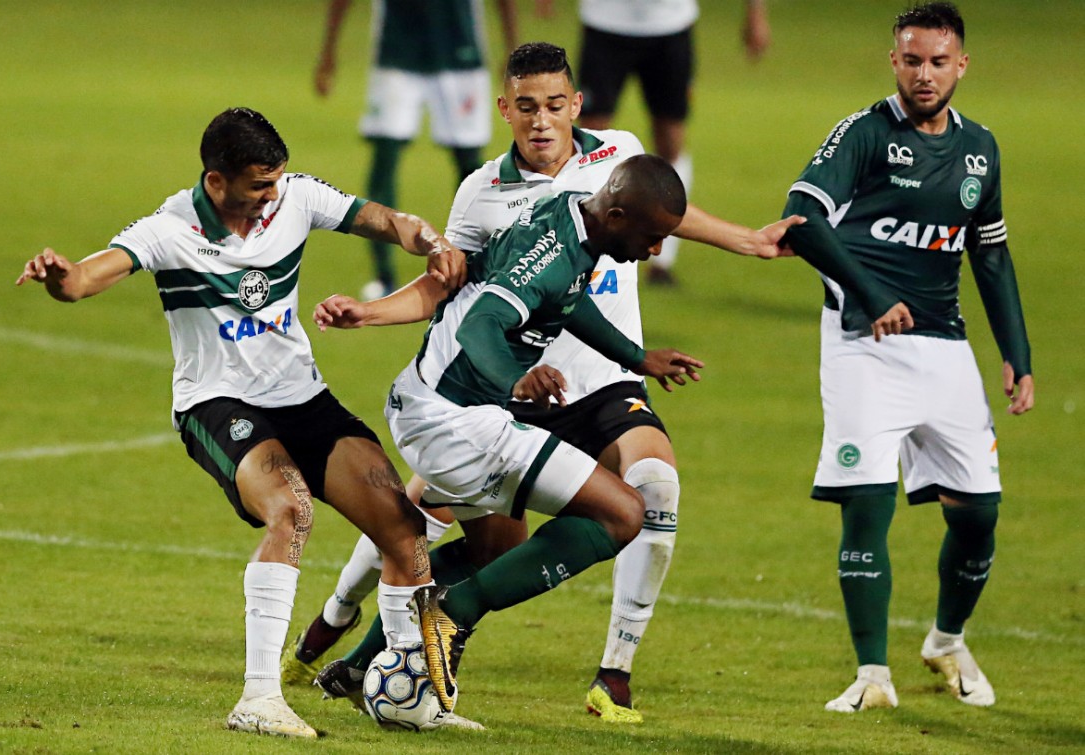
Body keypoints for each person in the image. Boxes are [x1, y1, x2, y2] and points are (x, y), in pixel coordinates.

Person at [283, 42, 802, 724]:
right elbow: (457, 294)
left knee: (648, 491)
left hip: (596, 386)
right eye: (526, 106)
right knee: (440, 528)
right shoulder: (485, 194)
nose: (541, 119)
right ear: (505, 109)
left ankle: (612, 672)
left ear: (576, 105)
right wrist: (375, 314)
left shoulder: (613, 164)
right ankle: (359, 629)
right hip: (503, 396)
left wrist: (735, 254)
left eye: (555, 104)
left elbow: (623, 248)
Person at [14, 107, 467, 739]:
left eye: (275, 181)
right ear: (216, 180)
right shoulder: (170, 229)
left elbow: (388, 221)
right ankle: (259, 698)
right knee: (290, 509)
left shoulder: (296, 196)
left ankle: (410, 696)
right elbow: (88, 278)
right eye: (258, 185)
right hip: (216, 402)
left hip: (300, 396)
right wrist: (60, 277)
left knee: (401, 525)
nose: (271, 196)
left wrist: (430, 242)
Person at [316, 153, 707, 716]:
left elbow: (567, 299)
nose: (656, 251)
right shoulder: (555, 253)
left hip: (433, 405)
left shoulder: (569, 214)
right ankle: (452, 614)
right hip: (456, 421)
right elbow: (481, 325)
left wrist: (636, 357)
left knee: (497, 551)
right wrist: (516, 379)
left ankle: (363, 666)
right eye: (652, 237)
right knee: (623, 513)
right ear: (617, 216)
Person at [780, 2, 1034, 712]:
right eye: (913, 60)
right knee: (868, 503)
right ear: (894, 61)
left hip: (944, 346)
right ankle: (872, 675)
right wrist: (871, 295)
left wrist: (1017, 354)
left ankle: (947, 640)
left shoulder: (981, 148)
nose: (925, 74)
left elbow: (990, 254)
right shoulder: (864, 134)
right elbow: (802, 217)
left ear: (962, 65)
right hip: (862, 343)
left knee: (979, 512)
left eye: (939, 62)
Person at [314, 0, 518, 299]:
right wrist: (329, 50)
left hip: (458, 50)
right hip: (397, 52)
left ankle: (475, 268)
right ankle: (384, 277)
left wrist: (512, 49)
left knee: (471, 167)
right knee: (384, 159)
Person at [572, 0, 771, 285]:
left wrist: (756, 13)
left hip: (671, 25)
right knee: (591, 144)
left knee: (670, 142)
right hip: (605, 21)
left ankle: (662, 259)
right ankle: (589, 252)